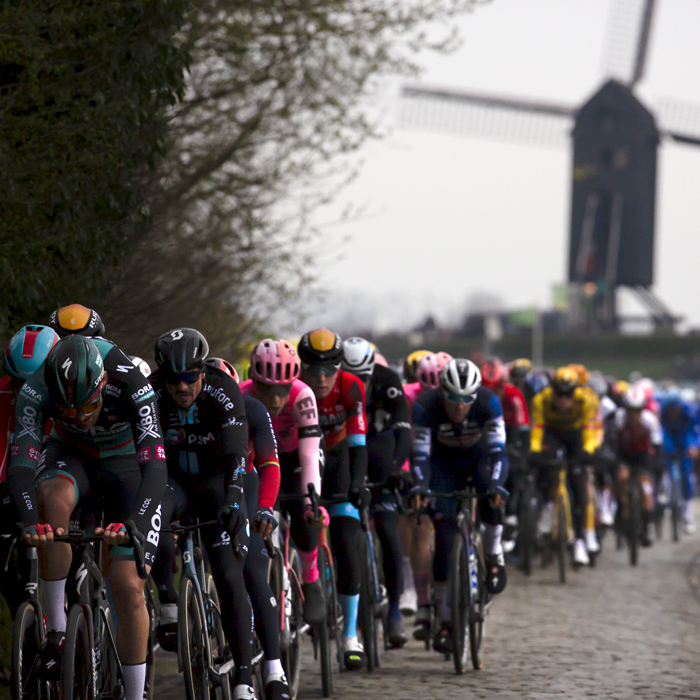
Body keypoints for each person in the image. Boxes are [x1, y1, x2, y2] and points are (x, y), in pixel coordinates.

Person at [7, 335, 166, 700]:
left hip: (127, 466)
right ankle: (57, 631)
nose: (79, 415)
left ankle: (135, 693)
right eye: (67, 410)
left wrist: (135, 525)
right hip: (71, 456)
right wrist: (31, 521)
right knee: (50, 499)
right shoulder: (37, 389)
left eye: (87, 405)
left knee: (127, 585)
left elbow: (157, 467)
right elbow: (21, 465)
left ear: (103, 384)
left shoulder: (131, 383)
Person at [148, 330, 258, 700]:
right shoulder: (150, 395)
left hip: (215, 487)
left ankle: (244, 680)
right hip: (173, 485)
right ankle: (167, 603)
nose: (182, 387)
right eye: (173, 379)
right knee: (153, 516)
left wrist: (233, 498)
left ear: (202, 373)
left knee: (229, 574)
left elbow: (237, 455)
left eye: (190, 377)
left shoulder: (222, 390)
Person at [411, 359, 509, 653]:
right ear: (442, 391)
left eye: (466, 398)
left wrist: (496, 485)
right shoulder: (425, 406)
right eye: (452, 397)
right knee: (442, 533)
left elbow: (499, 453)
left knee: (493, 499)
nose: (459, 405)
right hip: (442, 467)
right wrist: (420, 486)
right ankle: (444, 614)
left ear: (475, 395)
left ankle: (493, 553)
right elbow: (420, 457)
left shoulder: (489, 403)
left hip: (479, 461)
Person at [240, 339, 327, 626]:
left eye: (282, 391)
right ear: (254, 382)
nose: (276, 400)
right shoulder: (240, 396)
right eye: (267, 390)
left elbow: (310, 455)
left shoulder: (303, 395)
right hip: (262, 464)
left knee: (305, 518)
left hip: (295, 461)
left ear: (293, 384)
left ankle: (311, 578)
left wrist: (311, 501)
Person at [298, 328, 368, 670]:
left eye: (330, 369)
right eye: (314, 369)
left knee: (346, 541)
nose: (322, 378)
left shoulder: (351, 387)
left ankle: (350, 635)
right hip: (300, 458)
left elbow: (358, 444)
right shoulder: (296, 387)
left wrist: (358, 484)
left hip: (339, 459)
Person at [341, 337, 411, 648]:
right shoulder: (333, 384)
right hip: (346, 456)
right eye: (351, 377)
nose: (358, 384)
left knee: (388, 532)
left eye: (364, 378)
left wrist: (397, 469)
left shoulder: (388, 381)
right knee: (343, 532)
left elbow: (403, 431)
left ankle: (394, 610)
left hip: (381, 455)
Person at [0, 325, 59, 616]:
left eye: (34, 382)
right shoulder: (2, 394)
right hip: (17, 485)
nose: (26, 391)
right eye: (17, 382)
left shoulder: (69, 395)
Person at [401, 351, 452, 638]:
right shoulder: (410, 396)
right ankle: (421, 598)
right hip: (417, 459)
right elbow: (406, 439)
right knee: (419, 527)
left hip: (449, 460)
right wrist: (410, 474)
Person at [530, 366, 601, 565]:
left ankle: (580, 540)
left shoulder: (585, 400)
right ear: (552, 390)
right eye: (559, 393)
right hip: (552, 434)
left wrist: (589, 450)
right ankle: (546, 507)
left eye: (568, 393)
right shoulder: (541, 399)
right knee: (546, 469)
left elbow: (589, 428)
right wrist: (535, 450)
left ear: (575, 392)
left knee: (578, 484)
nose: (563, 398)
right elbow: (537, 428)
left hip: (575, 435)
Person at [480, 359, 529, 554]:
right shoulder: (478, 399)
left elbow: (522, 429)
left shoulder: (513, 396)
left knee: (513, 465)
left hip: (511, 431)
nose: (493, 395)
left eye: (497, 389)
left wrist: (520, 454)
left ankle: (511, 514)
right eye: (486, 389)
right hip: (487, 430)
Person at [612, 385, 663, 546]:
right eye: (630, 410)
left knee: (646, 490)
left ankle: (645, 529)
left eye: (637, 410)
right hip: (624, 455)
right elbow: (611, 441)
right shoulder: (618, 418)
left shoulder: (650, 420)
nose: (633, 414)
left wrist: (656, 466)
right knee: (621, 477)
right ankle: (620, 508)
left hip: (643, 457)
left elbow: (657, 446)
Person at [659, 389, 699, 534]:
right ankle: (667, 498)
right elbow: (661, 430)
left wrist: (694, 445)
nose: (673, 412)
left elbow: (694, 431)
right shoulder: (662, 412)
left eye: (675, 409)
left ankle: (688, 515)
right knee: (666, 468)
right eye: (671, 409)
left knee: (687, 474)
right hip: (669, 439)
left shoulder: (689, 411)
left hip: (685, 439)